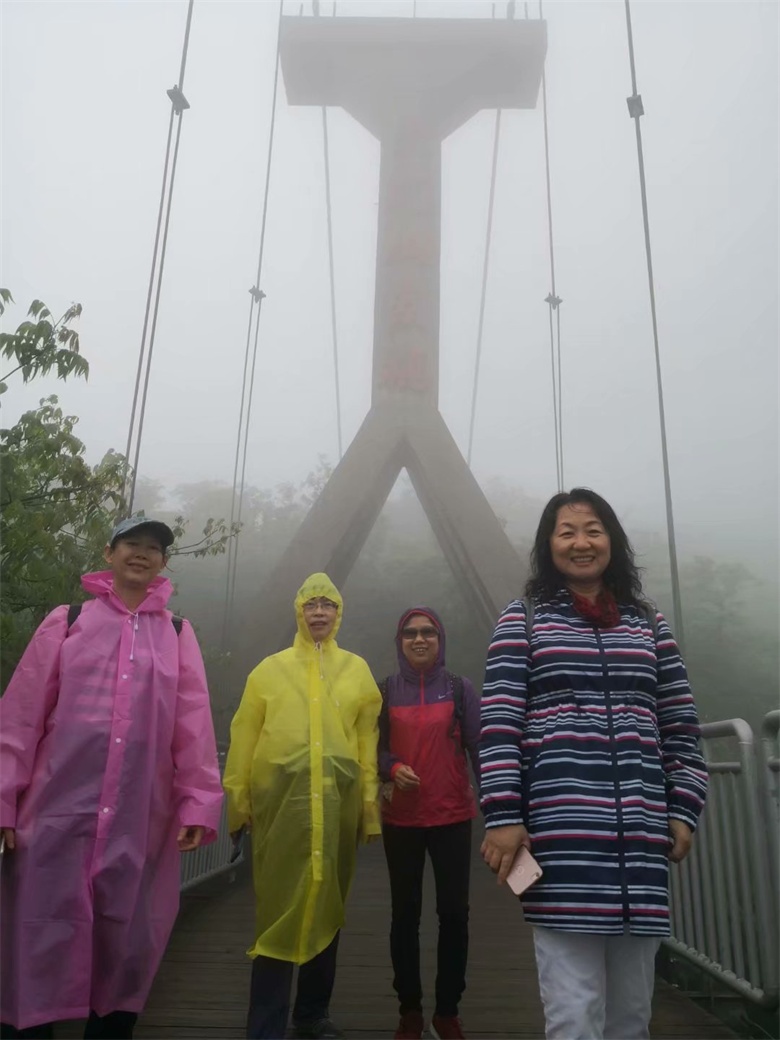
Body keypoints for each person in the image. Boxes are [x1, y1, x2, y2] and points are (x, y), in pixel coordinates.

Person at [479, 488, 708, 1040]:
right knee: (574, 1011)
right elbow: (498, 726)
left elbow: (680, 728)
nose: (581, 543)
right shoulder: (525, 620)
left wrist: (683, 810)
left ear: (612, 540)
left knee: (632, 1015)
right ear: (548, 545)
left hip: (641, 847)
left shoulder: (648, 624)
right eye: (566, 532)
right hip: (565, 843)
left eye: (593, 530)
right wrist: (504, 815)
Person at [0, 515, 224, 1040]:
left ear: (163, 563)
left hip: (136, 818)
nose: (141, 554)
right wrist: (3, 803)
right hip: (56, 813)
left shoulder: (176, 633)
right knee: (40, 936)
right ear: (110, 553)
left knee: (127, 940)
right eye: (132, 544)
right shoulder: (68, 620)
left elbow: (192, 727)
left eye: (153, 548)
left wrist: (197, 805)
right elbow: (21, 717)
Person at [223, 573, 382, 1040]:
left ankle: (312, 1013)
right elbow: (243, 740)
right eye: (310, 604)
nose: (318, 612)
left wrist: (368, 808)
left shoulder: (358, 671)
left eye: (327, 605)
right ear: (299, 611)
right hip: (280, 810)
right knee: (276, 907)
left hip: (336, 807)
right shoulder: (267, 671)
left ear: (339, 613)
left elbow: (366, 743)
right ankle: (265, 1020)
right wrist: (238, 803)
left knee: (326, 903)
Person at [378, 608, 480, 1040]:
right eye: (410, 633)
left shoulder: (460, 689)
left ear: (441, 639)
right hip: (401, 818)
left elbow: (481, 749)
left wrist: (505, 816)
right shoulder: (383, 691)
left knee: (454, 914)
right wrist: (393, 766)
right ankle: (410, 1010)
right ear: (399, 641)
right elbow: (374, 750)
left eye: (428, 633)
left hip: (452, 816)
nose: (419, 639)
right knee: (405, 914)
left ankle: (447, 1011)